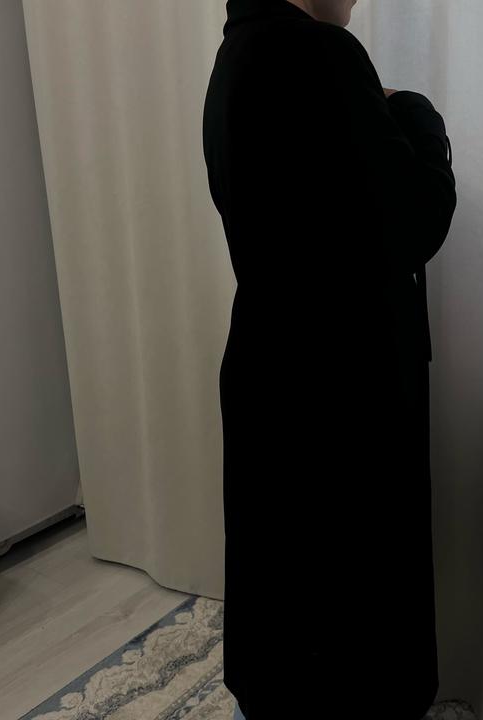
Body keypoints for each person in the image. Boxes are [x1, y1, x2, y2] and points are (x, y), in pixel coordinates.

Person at [202, 1, 456, 718]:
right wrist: (418, 113)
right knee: (354, 592)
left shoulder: (234, 55)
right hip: (346, 374)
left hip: (268, 355)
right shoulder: (322, 55)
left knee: (282, 570)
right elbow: (414, 218)